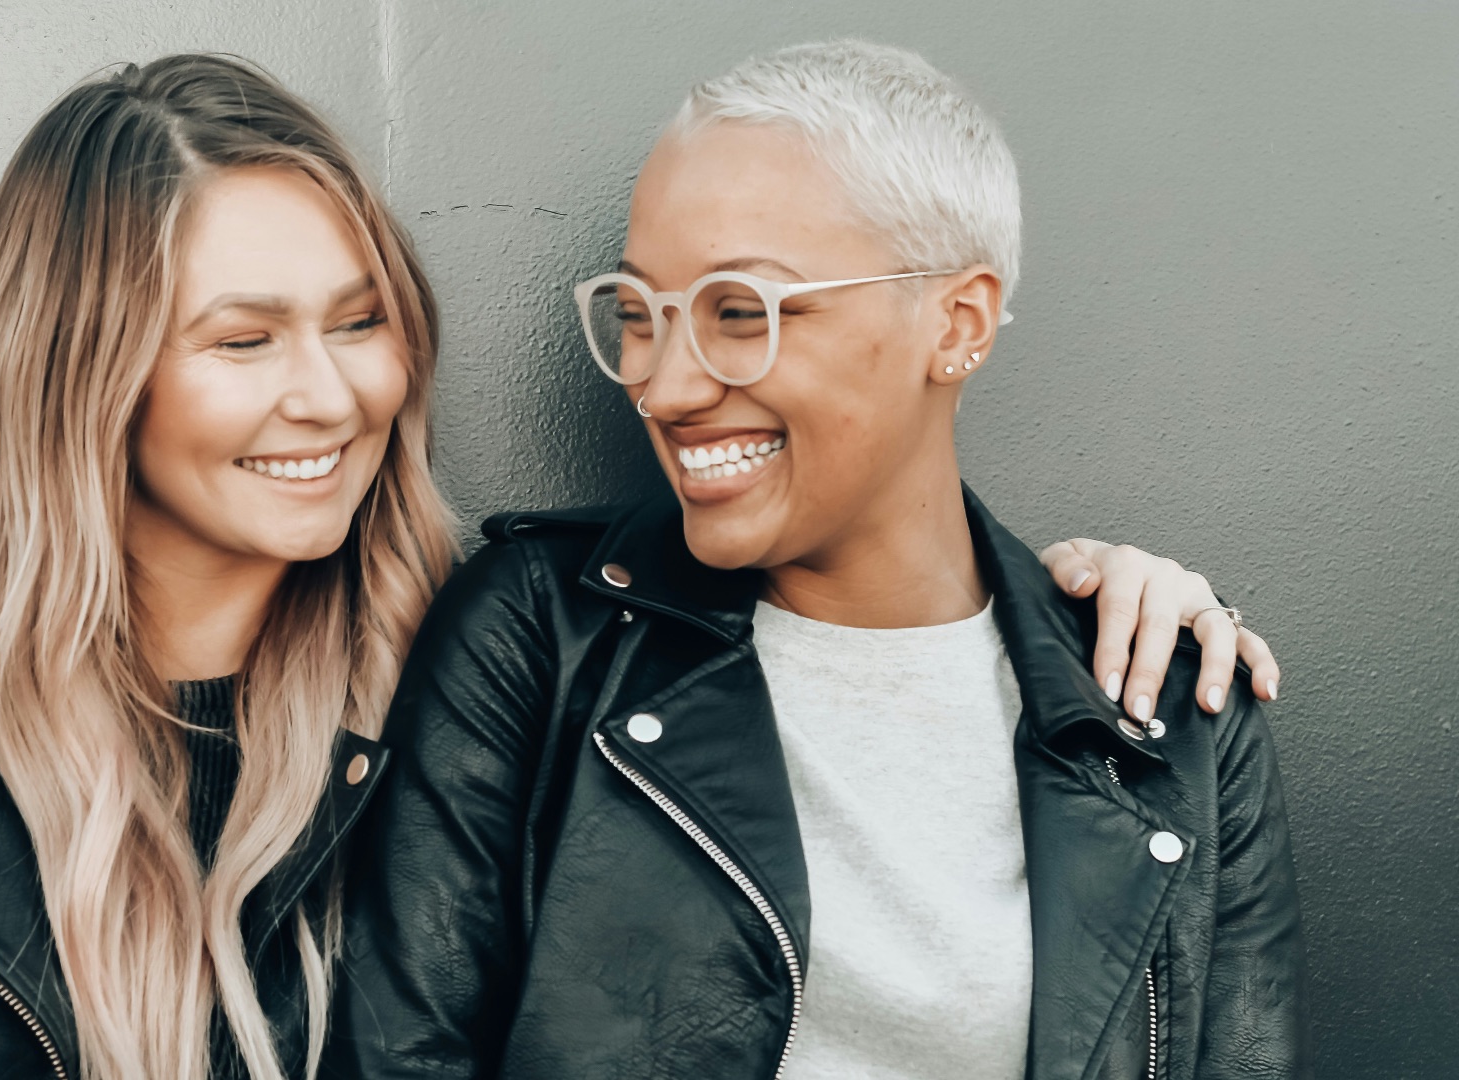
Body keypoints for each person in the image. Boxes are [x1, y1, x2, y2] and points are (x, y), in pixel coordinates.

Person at [0, 52, 1276, 1080]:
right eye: (243, 339)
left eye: (360, 320)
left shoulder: (479, 675)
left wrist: (1089, 615)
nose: (330, 394)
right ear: (83, 373)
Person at [327, 41, 1305, 1080]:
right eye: (639, 316)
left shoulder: (1171, 716)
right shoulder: (539, 636)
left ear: (957, 323)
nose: (664, 388)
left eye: (741, 312)